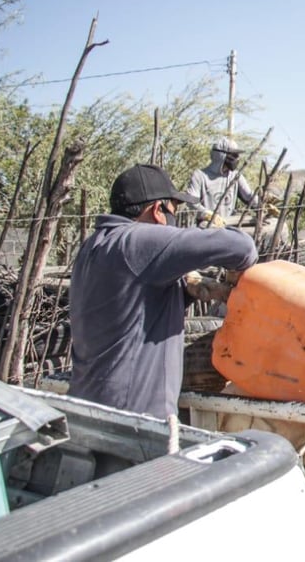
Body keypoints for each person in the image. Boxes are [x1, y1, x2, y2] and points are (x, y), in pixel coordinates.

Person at [69, 164, 258, 419]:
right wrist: (216, 227)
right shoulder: (138, 241)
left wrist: (191, 290)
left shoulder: (94, 246)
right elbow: (242, 248)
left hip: (86, 408)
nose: (173, 220)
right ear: (158, 210)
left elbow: (132, 307)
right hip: (133, 422)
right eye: (173, 212)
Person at [186, 137, 263, 226]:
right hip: (208, 226)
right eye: (234, 156)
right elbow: (191, 202)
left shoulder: (235, 176)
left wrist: (263, 206)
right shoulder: (200, 176)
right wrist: (208, 215)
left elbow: (249, 197)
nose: (237, 159)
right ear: (221, 155)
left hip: (229, 223)